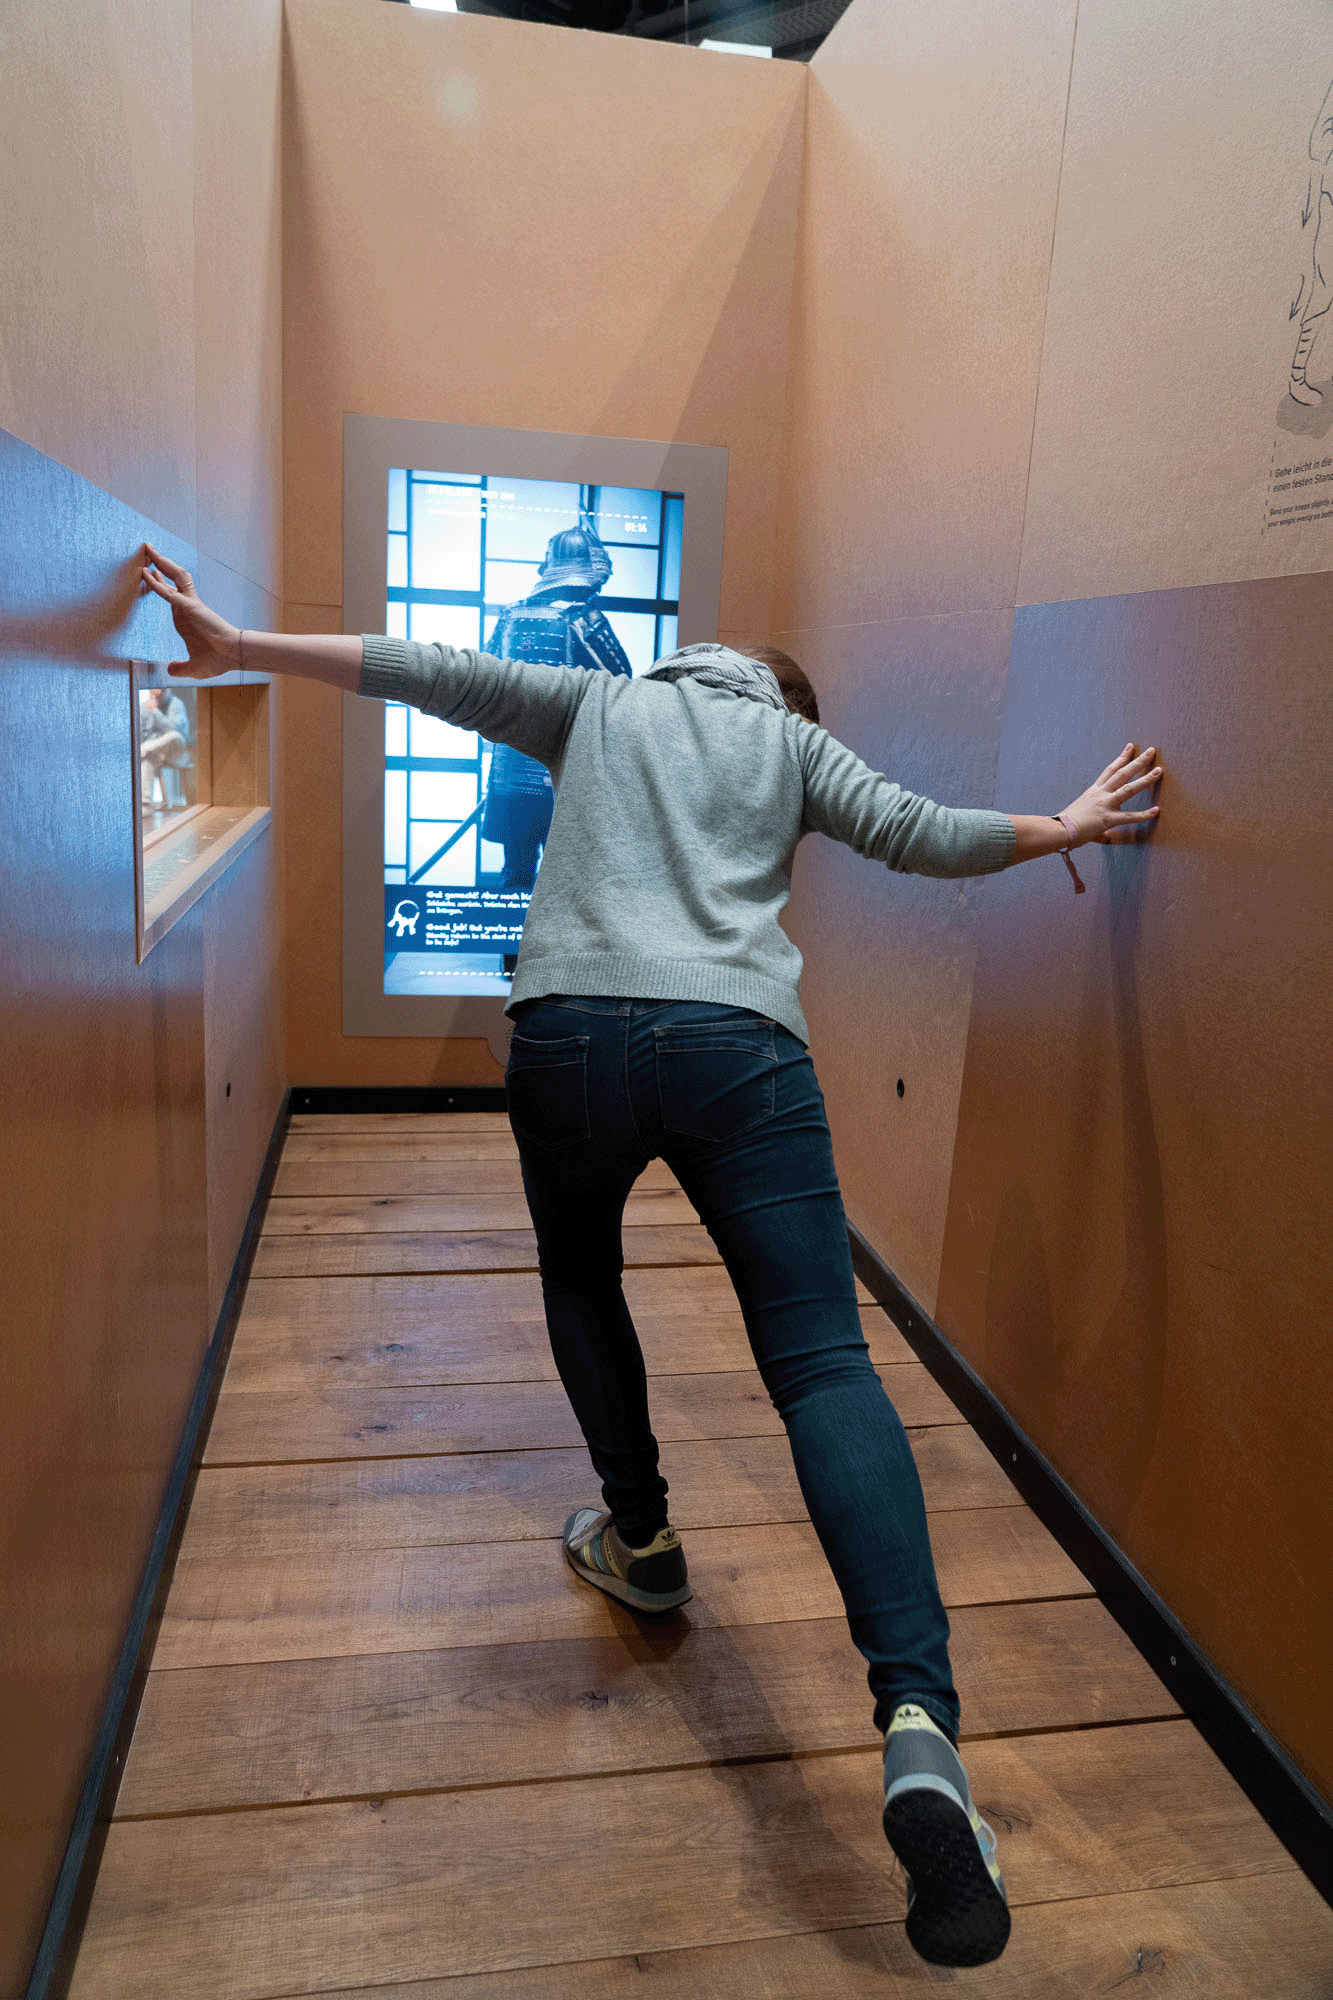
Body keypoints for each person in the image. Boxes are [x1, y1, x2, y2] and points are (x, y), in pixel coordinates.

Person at [139, 540, 1162, 1970]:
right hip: (743, 1049)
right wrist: (1064, 824)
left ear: (692, 664)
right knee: (823, 1362)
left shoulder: (599, 701)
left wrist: (240, 643)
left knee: (581, 1277)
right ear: (779, 698)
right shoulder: (790, 744)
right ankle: (918, 1724)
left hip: (567, 1034)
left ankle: (645, 1541)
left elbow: (423, 669)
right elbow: (925, 833)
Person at [481, 511, 632, 893]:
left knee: (514, 876)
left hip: (510, 770)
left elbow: (481, 679)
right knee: (565, 884)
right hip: (562, 774)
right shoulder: (582, 618)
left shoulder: (510, 616)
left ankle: (511, 936)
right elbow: (623, 685)